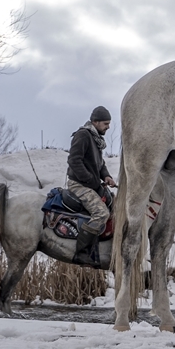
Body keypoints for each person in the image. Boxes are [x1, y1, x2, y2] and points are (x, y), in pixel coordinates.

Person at [66, 106, 116, 267]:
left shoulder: (95, 139)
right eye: (105, 123)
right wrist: (92, 181)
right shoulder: (83, 136)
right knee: (101, 213)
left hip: (90, 184)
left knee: (114, 205)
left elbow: (99, 164)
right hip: (78, 184)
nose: (108, 127)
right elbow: (74, 161)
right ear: (95, 122)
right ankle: (82, 253)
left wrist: (106, 176)